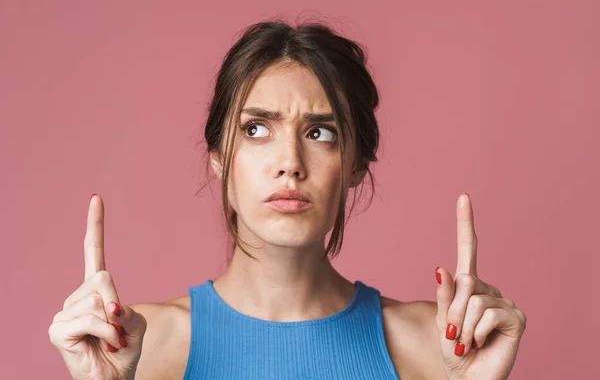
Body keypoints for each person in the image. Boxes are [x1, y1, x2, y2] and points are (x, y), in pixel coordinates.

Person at [48, 19, 527, 380]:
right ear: (218, 156)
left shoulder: (435, 344)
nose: (290, 163)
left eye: (320, 132)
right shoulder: (136, 343)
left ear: (357, 162)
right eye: (256, 129)